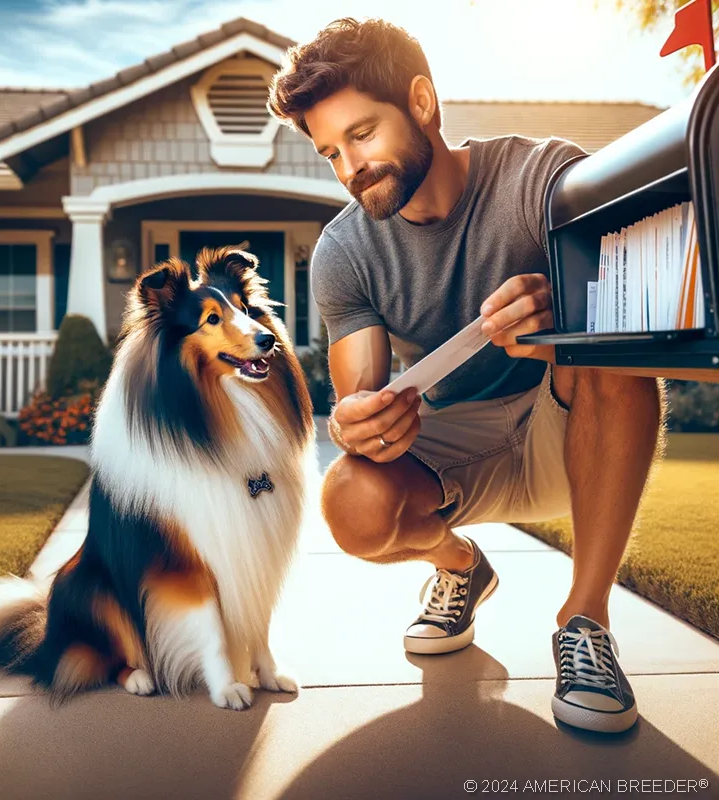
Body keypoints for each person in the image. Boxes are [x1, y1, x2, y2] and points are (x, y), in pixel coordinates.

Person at [267, 17, 663, 734]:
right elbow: (359, 392)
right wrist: (356, 422)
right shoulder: (344, 252)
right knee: (350, 498)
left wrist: (560, 323)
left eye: (361, 135)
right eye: (330, 152)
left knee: (607, 344)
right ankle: (461, 568)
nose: (349, 168)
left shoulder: (543, 178)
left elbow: (639, 313)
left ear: (421, 102)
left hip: (568, 424)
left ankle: (584, 624)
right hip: (460, 451)